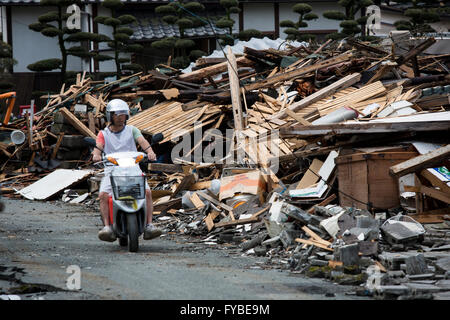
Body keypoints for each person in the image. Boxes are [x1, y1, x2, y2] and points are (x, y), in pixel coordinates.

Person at [92, 99, 162, 242]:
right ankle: (107, 227)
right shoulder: (103, 134)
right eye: (117, 114)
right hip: (112, 170)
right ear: (110, 116)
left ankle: (149, 224)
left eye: (123, 115)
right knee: (103, 195)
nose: (121, 117)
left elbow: (142, 141)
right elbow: (98, 147)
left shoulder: (132, 130)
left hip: (133, 168)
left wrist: (150, 152)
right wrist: (96, 155)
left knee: (147, 192)